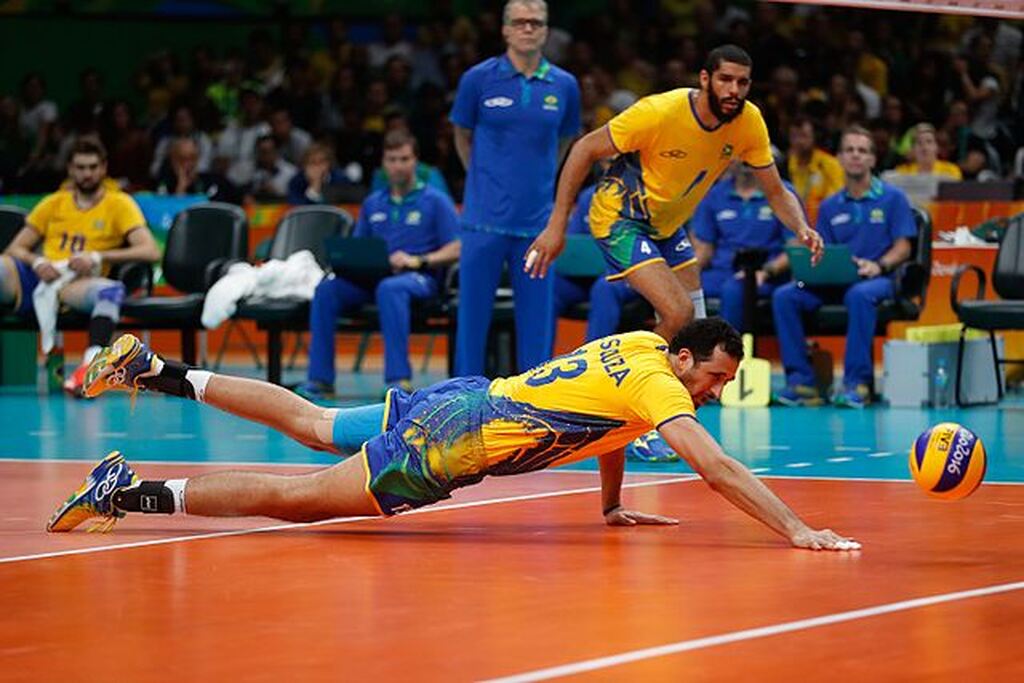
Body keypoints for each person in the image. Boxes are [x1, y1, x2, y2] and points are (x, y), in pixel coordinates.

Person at [48, 318, 861, 553]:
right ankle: (127, 488)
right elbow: (713, 466)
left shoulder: (644, 350)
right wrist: (797, 527)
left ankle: (157, 367)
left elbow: (616, 428)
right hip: (453, 445)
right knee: (301, 502)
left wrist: (611, 506)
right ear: (685, 357)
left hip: (466, 399)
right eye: (714, 376)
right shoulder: (661, 380)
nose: (716, 392)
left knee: (316, 420)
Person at [525, 44, 822, 457]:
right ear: (705, 79)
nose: (734, 89)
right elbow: (583, 150)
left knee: (696, 329)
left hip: (666, 225)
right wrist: (556, 226)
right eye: (725, 79)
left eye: (742, 82)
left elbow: (775, 190)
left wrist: (802, 225)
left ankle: (671, 415)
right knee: (678, 314)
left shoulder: (748, 122)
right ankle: (633, 416)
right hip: (619, 216)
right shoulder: (659, 112)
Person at [449, 0, 581, 377]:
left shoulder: (565, 85)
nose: (528, 28)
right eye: (520, 22)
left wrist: (537, 180)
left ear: (545, 30)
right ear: (505, 29)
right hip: (482, 222)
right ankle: (462, 402)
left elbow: (565, 140)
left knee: (537, 327)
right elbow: (462, 135)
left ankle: (533, 405)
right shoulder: (477, 79)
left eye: (536, 23)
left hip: (537, 226)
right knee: (472, 322)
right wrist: (485, 177)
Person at [294, 130, 460, 400]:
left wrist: (418, 260)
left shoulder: (435, 201)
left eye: (404, 159)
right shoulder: (373, 203)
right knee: (327, 289)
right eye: (392, 159)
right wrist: (351, 262)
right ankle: (320, 379)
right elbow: (360, 246)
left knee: (390, 288)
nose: (398, 165)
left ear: (415, 161)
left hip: (419, 278)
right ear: (384, 163)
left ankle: (398, 379)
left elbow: (458, 247)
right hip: (373, 279)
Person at [0, 137, 161, 395]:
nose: (87, 173)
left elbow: (150, 250)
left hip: (76, 283)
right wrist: (37, 260)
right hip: (39, 276)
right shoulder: (54, 202)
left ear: (104, 168)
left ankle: (91, 366)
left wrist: (98, 257)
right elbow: (15, 249)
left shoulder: (119, 204)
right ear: (70, 169)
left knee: (110, 291)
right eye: (81, 167)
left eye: (92, 167)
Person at [773, 126, 917, 408]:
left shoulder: (893, 198)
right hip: (836, 280)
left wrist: (878, 265)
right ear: (839, 157)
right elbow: (825, 247)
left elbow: (904, 247)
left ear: (873, 160)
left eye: (862, 151)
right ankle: (802, 382)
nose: (856, 156)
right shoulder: (829, 206)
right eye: (849, 150)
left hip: (877, 279)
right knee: (785, 296)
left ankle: (857, 383)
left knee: (859, 295)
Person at [691, 162, 797, 332]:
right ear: (730, 157)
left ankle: (726, 354)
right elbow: (703, 251)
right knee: (679, 290)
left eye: (751, 152)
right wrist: (679, 278)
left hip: (767, 274)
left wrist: (766, 271)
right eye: (741, 152)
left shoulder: (781, 192)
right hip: (722, 272)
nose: (746, 160)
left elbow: (796, 248)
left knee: (733, 289)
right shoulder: (713, 195)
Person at [786, 115, 844, 206]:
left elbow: (839, 197)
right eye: (794, 136)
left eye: (803, 136)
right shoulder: (785, 166)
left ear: (815, 137)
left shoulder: (831, 164)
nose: (798, 141)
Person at [893, 123, 963, 181]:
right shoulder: (901, 172)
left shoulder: (951, 170)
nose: (924, 147)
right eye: (919, 143)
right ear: (913, 150)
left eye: (929, 141)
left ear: (937, 147)